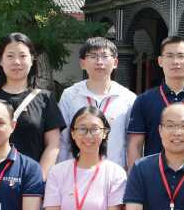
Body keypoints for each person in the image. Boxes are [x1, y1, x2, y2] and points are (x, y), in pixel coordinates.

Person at [38, 105, 127, 210]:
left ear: (105, 133)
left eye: (95, 129)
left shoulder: (116, 173)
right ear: (72, 133)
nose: (88, 135)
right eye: (82, 129)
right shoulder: (58, 171)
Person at [0, 33, 65, 177]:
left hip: (31, 181)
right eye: (10, 56)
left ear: (32, 60)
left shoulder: (45, 99)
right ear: (1, 61)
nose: (16, 62)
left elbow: (53, 145)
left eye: (22, 56)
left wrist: (38, 179)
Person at [57, 37, 137, 169]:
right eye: (93, 56)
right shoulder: (70, 96)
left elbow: (132, 142)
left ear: (115, 62)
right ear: (82, 63)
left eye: (105, 56)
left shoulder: (128, 98)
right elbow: (63, 139)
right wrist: (61, 171)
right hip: (76, 172)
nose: (99, 62)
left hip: (115, 173)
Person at [126, 36, 184, 167]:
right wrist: (136, 175)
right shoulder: (144, 100)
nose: (175, 61)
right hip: (153, 173)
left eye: (181, 56)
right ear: (160, 61)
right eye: (169, 56)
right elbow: (135, 145)